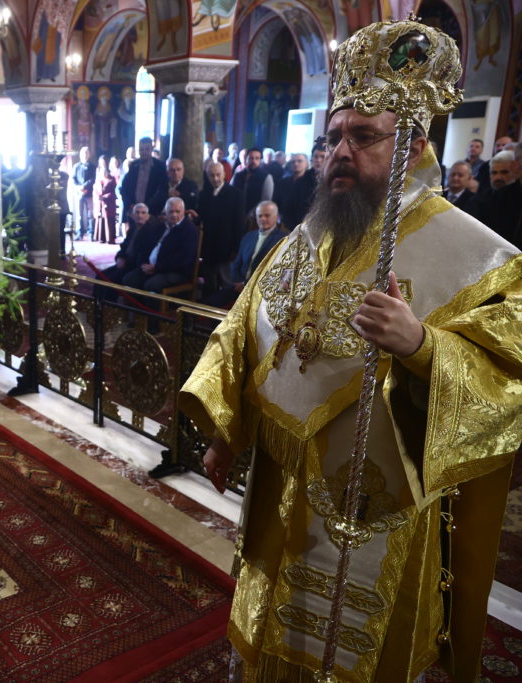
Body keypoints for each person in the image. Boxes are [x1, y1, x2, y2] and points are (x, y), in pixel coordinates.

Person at [180, 19, 522, 682]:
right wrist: (228, 431)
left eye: (363, 136)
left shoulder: (477, 257)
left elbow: (507, 378)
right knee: (273, 634)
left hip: (376, 502)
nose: (339, 151)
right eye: (333, 137)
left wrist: (422, 345)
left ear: (412, 146)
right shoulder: (313, 229)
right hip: (279, 485)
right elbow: (249, 327)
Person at [121, 197, 198, 303]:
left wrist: (157, 267)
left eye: (177, 211)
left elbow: (183, 259)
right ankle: (135, 311)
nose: (174, 215)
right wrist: (142, 264)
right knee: (129, 279)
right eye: (171, 211)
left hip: (176, 271)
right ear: (165, 212)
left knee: (151, 285)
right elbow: (145, 247)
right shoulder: (160, 226)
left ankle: (151, 313)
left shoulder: (189, 230)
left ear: (183, 212)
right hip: (153, 267)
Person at [194, 162, 244, 298]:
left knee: (227, 283)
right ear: (207, 176)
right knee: (209, 284)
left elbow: (239, 224)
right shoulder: (204, 194)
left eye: (218, 175)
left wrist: (236, 249)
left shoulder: (235, 194)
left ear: (224, 175)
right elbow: (201, 216)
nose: (215, 178)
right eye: (212, 175)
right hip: (208, 246)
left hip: (226, 247)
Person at [95, 203, 155, 302]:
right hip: (125, 262)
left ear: (147, 216)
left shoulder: (150, 231)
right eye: (137, 212)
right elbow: (123, 247)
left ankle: (109, 308)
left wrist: (125, 262)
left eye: (143, 213)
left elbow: (142, 255)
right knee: (100, 276)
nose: (140, 215)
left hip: (134, 266)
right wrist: (119, 257)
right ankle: (97, 305)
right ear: (133, 215)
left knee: (110, 281)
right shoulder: (133, 228)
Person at [467, 150, 522, 248]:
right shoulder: (479, 200)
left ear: (515, 171)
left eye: (504, 172)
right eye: (494, 173)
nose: (498, 177)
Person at [120, 136, 169, 218]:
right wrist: (129, 204)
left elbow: (162, 190)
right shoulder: (134, 165)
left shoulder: (160, 166)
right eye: (141, 149)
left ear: (151, 149)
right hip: (134, 210)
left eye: (147, 149)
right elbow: (124, 187)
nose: (144, 152)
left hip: (152, 212)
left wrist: (147, 206)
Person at [273, 152, 314, 227]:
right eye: (293, 162)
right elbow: (276, 201)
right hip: (284, 223)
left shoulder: (312, 183)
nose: (296, 164)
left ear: (306, 163)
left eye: (299, 161)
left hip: (304, 224)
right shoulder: (283, 182)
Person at [231, 147, 274, 219]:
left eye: (257, 158)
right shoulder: (238, 175)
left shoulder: (266, 177)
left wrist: (252, 213)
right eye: (251, 158)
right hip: (236, 214)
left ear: (260, 160)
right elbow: (231, 193)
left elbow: (265, 201)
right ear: (246, 159)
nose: (254, 161)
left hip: (255, 217)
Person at [70, 146, 96, 240]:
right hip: (79, 193)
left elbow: (93, 179)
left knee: (90, 214)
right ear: (80, 155)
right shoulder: (76, 166)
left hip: (89, 193)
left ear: (89, 155)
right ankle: (80, 233)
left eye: (86, 153)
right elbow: (73, 179)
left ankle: (91, 233)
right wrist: (79, 188)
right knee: (79, 215)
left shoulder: (93, 167)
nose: (85, 155)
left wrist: (84, 187)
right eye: (83, 153)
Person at [93, 155, 118, 244]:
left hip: (109, 202)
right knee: (100, 218)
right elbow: (95, 189)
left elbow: (114, 192)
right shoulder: (98, 178)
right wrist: (98, 198)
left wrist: (105, 197)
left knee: (108, 218)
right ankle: (101, 237)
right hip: (100, 202)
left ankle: (109, 238)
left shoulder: (112, 179)